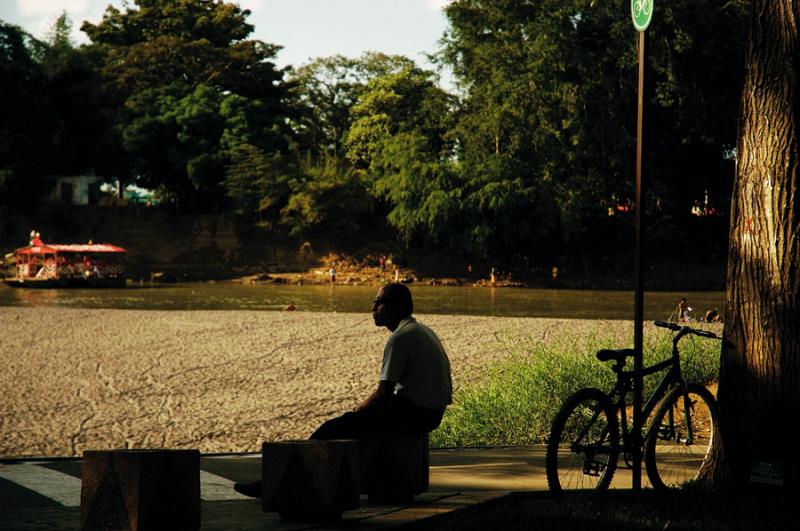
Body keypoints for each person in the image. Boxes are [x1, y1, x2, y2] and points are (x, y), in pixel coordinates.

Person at [233, 283, 453, 498]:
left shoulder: (400, 338)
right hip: (430, 412)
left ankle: (280, 484)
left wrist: (357, 412)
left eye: (379, 303)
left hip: (415, 413)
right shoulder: (419, 330)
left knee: (332, 429)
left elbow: (383, 392)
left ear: (399, 307)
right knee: (349, 425)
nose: (373, 308)